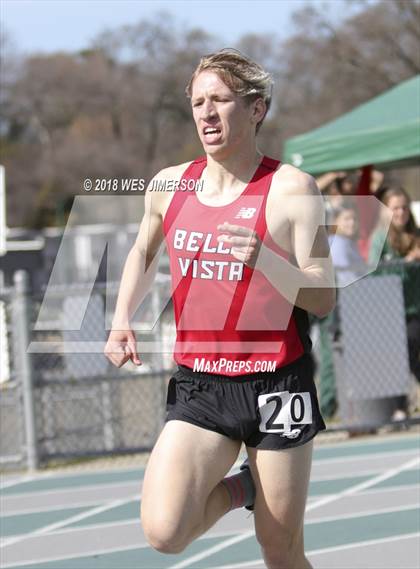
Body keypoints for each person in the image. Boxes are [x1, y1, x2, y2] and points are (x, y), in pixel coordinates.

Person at [104, 49, 335, 569]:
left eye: (221, 100)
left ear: (256, 109)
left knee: (280, 549)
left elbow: (323, 297)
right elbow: (143, 250)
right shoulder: (170, 184)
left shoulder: (292, 189)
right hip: (202, 384)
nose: (207, 113)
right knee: (165, 531)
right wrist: (122, 318)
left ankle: (259, 492)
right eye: (198, 102)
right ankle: (242, 490)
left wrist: (266, 260)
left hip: (278, 383)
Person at [369, 187, 420, 417]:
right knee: (401, 354)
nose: (400, 213)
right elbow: (375, 273)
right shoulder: (381, 238)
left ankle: (400, 407)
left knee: (409, 348)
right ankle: (399, 408)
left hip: (413, 307)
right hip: (390, 309)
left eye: (403, 207)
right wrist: (408, 262)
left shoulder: (415, 235)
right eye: (395, 208)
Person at [318, 202, 367, 419]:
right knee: (331, 357)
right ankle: (328, 408)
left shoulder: (349, 243)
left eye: (354, 219)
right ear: (335, 222)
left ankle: (346, 407)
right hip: (336, 309)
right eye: (346, 219)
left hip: (351, 308)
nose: (352, 223)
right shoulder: (336, 243)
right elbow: (344, 278)